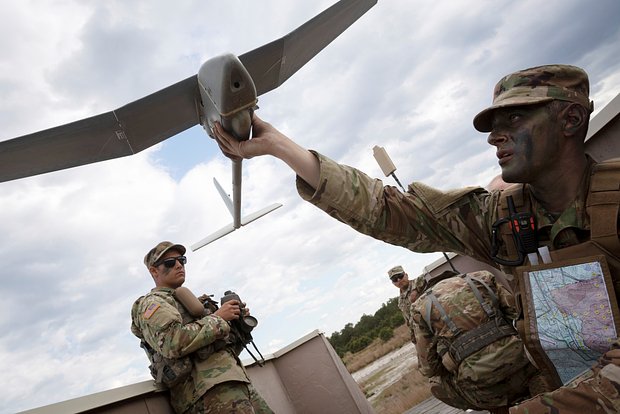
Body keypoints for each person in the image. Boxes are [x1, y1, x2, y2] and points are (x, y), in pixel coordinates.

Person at [213, 64, 620, 412]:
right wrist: (279, 146)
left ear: (570, 120)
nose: (495, 136)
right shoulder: (504, 218)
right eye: (494, 126)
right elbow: (391, 211)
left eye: (514, 119)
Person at [131, 241, 274, 414]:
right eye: (170, 262)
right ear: (154, 271)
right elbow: (172, 342)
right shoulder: (152, 303)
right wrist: (219, 318)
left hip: (233, 383)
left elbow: (220, 353)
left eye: (182, 260)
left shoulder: (190, 304)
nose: (179, 265)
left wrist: (237, 326)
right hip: (205, 395)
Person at [410, 270, 541, 414]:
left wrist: (449, 358)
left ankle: (495, 407)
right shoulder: (482, 278)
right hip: (524, 363)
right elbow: (519, 316)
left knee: (435, 382)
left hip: (480, 387)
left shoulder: (420, 307)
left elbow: (428, 368)